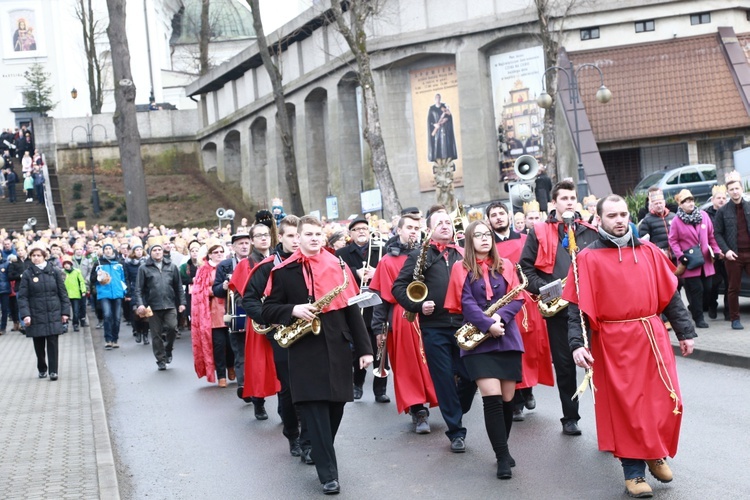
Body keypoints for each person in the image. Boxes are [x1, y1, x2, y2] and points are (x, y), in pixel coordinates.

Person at [565, 194, 696, 498]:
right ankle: (634, 472)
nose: (620, 220)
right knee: (628, 408)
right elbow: (577, 309)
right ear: (599, 220)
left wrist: (685, 332)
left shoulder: (649, 251)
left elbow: (671, 298)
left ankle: (655, 452)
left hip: (652, 336)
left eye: (623, 214)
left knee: (665, 400)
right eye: (612, 215)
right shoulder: (586, 257)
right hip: (613, 343)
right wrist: (576, 344)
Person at [261, 216, 373, 495]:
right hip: (303, 349)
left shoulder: (339, 265)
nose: (313, 238)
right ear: (297, 238)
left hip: (337, 344)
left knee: (336, 407)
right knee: (315, 409)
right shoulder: (285, 272)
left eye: (317, 234)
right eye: (308, 234)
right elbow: (268, 309)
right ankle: (328, 475)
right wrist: (293, 310)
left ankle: (320, 449)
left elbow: (351, 310)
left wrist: (365, 349)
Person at [444, 220, 524, 479]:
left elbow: (517, 297)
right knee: (491, 397)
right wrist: (488, 324)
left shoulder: (506, 265)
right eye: (477, 235)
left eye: (487, 234)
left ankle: (505, 446)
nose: (484, 239)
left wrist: (500, 319)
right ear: (469, 240)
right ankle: (501, 456)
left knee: (508, 400)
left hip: (506, 335)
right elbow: (465, 303)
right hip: (479, 339)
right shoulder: (461, 268)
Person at [393, 210, 477, 453]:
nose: (445, 225)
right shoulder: (418, 255)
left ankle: (456, 409)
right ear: (429, 229)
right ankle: (456, 433)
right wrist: (418, 306)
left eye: (448, 222)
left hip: (464, 325)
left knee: (470, 375)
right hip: (435, 328)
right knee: (443, 380)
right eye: (439, 222)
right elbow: (398, 286)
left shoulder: (463, 253)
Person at [519, 180, 599, 436]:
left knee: (601, 366)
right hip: (560, 309)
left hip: (591, 308)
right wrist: (548, 288)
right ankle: (570, 417)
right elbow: (525, 269)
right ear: (553, 203)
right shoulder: (539, 231)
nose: (569, 202)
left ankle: (608, 421)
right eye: (564, 198)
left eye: (572, 198)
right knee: (565, 366)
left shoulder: (588, 230)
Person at [242, 215, 311, 460]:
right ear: (279, 237)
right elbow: (247, 299)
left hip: (312, 333)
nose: (295, 240)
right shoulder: (267, 267)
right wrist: (269, 318)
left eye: (298, 235)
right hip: (283, 334)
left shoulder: (313, 262)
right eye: (290, 235)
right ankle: (295, 436)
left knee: (313, 387)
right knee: (290, 389)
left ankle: (311, 436)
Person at [370, 213, 438, 433]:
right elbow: (381, 298)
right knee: (408, 367)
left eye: (416, 228)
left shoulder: (429, 254)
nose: (413, 231)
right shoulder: (387, 261)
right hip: (403, 318)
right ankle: (418, 410)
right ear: (398, 230)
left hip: (432, 314)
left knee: (436, 362)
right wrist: (378, 327)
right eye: (409, 227)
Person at [336, 217, 388, 403]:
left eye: (364, 228)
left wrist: (377, 272)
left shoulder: (381, 248)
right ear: (350, 234)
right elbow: (335, 270)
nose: (361, 232)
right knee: (359, 349)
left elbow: (389, 270)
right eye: (357, 229)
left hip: (377, 306)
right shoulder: (341, 252)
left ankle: (380, 390)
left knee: (381, 349)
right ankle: (357, 384)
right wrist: (354, 271)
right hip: (356, 308)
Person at [213, 233, 265, 415]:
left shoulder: (259, 261)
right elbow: (216, 289)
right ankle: (243, 386)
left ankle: (258, 388)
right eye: (240, 244)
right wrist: (224, 287)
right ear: (233, 247)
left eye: (246, 243)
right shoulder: (225, 265)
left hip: (257, 313)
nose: (244, 246)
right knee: (240, 351)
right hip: (235, 312)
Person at [667, 189, 721, 329]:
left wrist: (716, 250)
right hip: (690, 262)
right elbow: (673, 241)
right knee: (697, 291)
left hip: (706, 261)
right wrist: (680, 256)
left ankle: (696, 308)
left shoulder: (703, 216)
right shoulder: (677, 221)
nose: (690, 203)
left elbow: (711, 236)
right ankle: (699, 318)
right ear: (680, 204)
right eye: (686, 201)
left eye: (691, 200)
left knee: (708, 288)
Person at [17, 244, 70, 381]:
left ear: (44, 256)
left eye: (38, 255)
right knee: (39, 343)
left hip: (53, 311)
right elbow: (22, 296)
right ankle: (42, 368)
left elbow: (63, 293)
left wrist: (65, 312)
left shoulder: (54, 271)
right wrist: (26, 315)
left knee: (53, 342)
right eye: (33, 256)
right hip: (36, 312)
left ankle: (53, 371)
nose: (36, 258)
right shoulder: (27, 274)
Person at [134, 241, 186, 370]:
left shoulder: (172, 267)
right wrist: (140, 304)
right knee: (156, 334)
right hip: (153, 306)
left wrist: (182, 303)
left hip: (170, 304)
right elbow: (138, 289)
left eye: (159, 250)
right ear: (150, 253)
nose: (157, 252)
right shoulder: (144, 268)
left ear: (163, 252)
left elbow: (178, 286)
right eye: (154, 250)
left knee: (173, 328)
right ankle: (160, 359)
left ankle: (168, 350)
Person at [191, 241, 234, 387]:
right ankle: (221, 375)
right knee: (219, 345)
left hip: (231, 309)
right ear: (209, 255)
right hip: (213, 313)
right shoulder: (204, 270)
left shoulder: (231, 265)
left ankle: (231, 366)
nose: (219, 254)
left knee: (231, 343)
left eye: (221, 251)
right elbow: (198, 291)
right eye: (215, 252)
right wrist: (214, 290)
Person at [713, 172, 750, 330]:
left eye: (737, 188)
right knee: (734, 288)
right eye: (732, 189)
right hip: (733, 255)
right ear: (728, 192)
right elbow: (717, 233)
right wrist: (726, 250)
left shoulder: (749, 208)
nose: (735, 191)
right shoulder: (723, 212)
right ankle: (735, 318)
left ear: (742, 189)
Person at [91, 243, 127, 349]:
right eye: (105, 249)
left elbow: (124, 278)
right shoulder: (98, 264)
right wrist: (98, 275)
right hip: (104, 293)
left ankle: (115, 339)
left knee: (117, 317)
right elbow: (92, 279)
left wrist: (125, 291)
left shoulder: (119, 263)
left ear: (113, 250)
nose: (107, 250)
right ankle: (108, 339)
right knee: (107, 315)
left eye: (109, 248)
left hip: (117, 293)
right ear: (103, 251)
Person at [704, 185, 729, 320]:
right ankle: (712, 305)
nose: (721, 200)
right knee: (714, 284)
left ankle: (728, 311)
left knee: (729, 284)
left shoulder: (729, 212)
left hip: (728, 253)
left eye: (724, 198)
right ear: (713, 200)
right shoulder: (707, 215)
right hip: (713, 255)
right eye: (718, 198)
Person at [638, 188, 676, 259]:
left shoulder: (673, 216)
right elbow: (644, 242)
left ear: (664, 203)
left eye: (660, 203)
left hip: (676, 255)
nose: (659, 205)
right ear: (651, 205)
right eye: (656, 204)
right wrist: (658, 250)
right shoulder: (647, 220)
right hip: (660, 256)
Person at [123, 245, 149, 344]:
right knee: (136, 312)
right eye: (137, 250)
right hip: (134, 289)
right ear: (133, 252)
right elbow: (127, 278)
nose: (139, 252)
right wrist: (128, 292)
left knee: (146, 313)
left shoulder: (147, 262)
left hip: (145, 290)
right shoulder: (128, 263)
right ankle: (138, 331)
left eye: (140, 250)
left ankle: (145, 335)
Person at [427, 93, 458, 162]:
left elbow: (449, 116)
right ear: (435, 99)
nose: (438, 99)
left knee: (445, 147)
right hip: (437, 131)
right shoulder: (432, 109)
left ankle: (447, 161)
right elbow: (430, 121)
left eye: (439, 98)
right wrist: (434, 125)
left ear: (440, 98)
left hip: (444, 130)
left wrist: (446, 119)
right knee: (437, 146)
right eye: (436, 98)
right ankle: (438, 162)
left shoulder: (443, 107)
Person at [62, 257, 87, 332]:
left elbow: (81, 282)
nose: (66, 266)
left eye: (68, 264)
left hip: (75, 294)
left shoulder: (77, 271)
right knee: (65, 311)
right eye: (65, 264)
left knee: (76, 311)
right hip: (65, 294)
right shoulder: (62, 272)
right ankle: (64, 325)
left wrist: (83, 291)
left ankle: (75, 324)